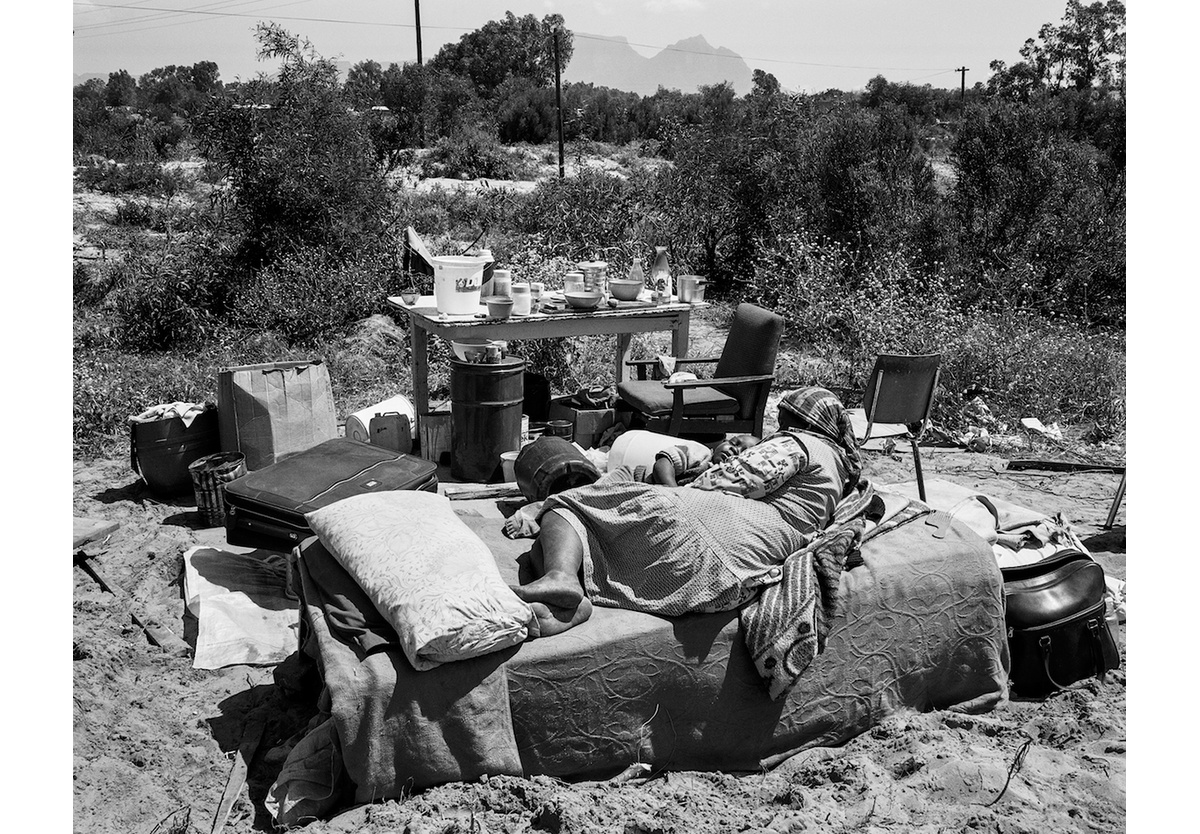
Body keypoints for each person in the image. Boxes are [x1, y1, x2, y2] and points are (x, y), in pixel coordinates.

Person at [514, 387, 862, 637]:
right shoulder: (835, 472)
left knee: (569, 508)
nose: (778, 431)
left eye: (785, 422)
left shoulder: (801, 444)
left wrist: (659, 493)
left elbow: (728, 480)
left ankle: (563, 579)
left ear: (806, 423)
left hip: (705, 540)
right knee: (563, 541)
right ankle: (568, 604)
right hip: (732, 576)